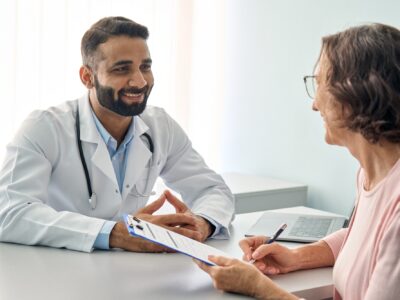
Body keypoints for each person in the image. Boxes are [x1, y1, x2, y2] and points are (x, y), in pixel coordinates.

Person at [195, 23, 400, 300]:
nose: (314, 104)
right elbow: (363, 241)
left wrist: (259, 287)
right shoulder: (371, 172)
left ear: (354, 93)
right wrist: (297, 257)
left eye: (319, 83)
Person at [0, 16, 234, 253]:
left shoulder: (160, 126)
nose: (140, 81)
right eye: (122, 69)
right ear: (87, 77)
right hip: (56, 272)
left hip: (128, 272)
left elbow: (212, 190)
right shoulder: (44, 127)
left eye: (145, 67)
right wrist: (116, 234)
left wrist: (202, 223)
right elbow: (9, 213)